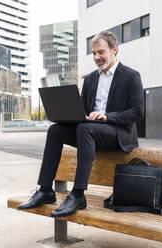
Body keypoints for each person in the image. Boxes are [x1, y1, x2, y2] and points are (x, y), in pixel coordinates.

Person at [18, 31, 144, 217]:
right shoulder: (91, 79)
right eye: (93, 53)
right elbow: (83, 110)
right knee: (55, 130)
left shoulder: (131, 76)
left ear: (114, 50)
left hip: (118, 134)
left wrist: (106, 116)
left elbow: (137, 113)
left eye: (101, 52)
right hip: (91, 131)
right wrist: (68, 115)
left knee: (86, 129)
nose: (96, 57)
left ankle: (78, 195)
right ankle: (45, 190)